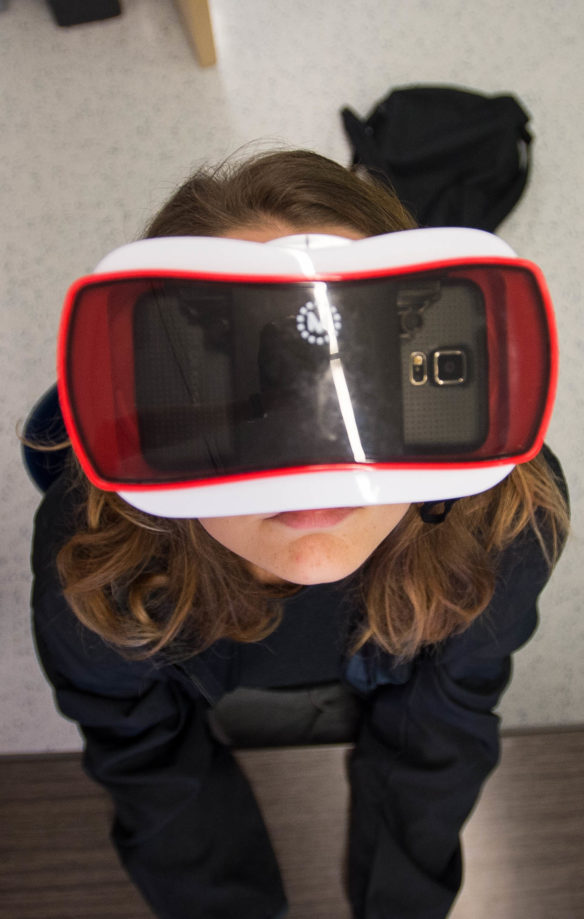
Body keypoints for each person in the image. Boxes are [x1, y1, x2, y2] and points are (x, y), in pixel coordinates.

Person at [31, 149, 569, 919]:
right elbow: (143, 753)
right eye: (248, 389)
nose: (313, 476)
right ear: (167, 403)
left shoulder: (507, 520)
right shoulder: (94, 558)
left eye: (348, 379)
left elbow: (446, 720)